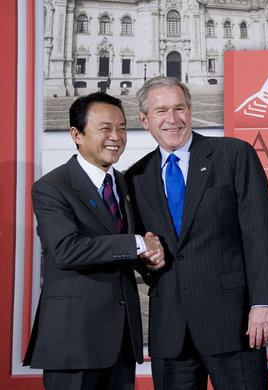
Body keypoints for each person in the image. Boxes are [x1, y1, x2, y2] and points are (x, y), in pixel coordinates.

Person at [125, 76, 268, 389]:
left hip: (232, 324)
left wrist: (263, 303)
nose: (172, 119)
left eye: (179, 108)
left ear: (190, 111)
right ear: (144, 120)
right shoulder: (135, 177)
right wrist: (146, 261)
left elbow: (259, 234)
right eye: (161, 111)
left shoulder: (234, 155)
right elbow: (145, 249)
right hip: (171, 331)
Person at [23, 92, 165, 389]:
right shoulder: (52, 187)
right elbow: (66, 250)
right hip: (73, 342)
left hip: (121, 342)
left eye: (122, 128)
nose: (116, 137)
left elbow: (135, 246)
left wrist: (151, 258)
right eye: (105, 128)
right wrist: (138, 244)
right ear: (76, 134)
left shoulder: (123, 183)